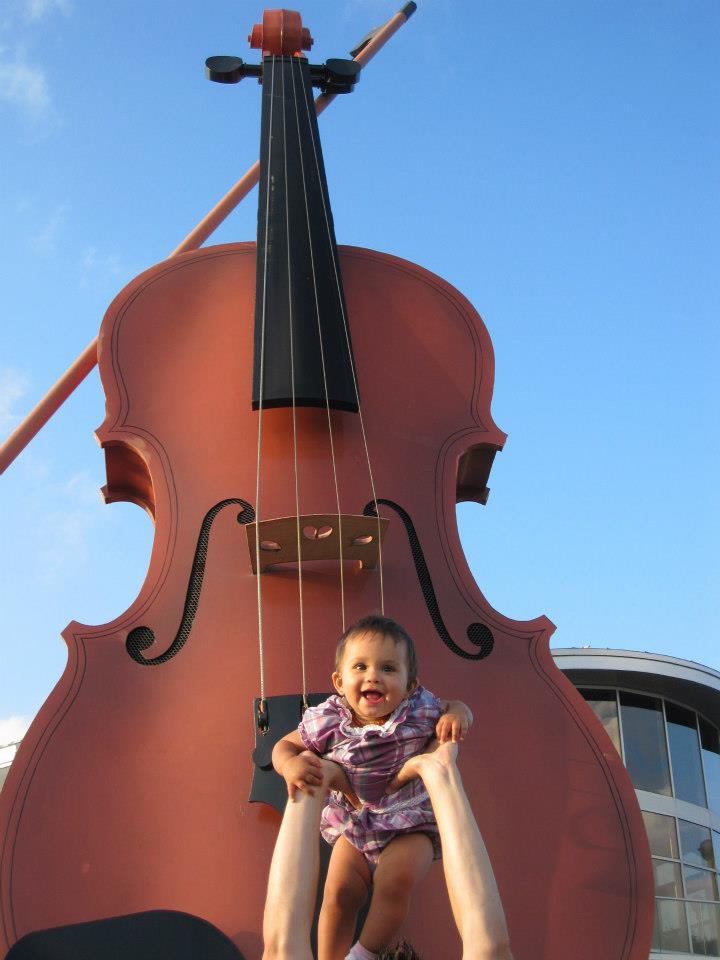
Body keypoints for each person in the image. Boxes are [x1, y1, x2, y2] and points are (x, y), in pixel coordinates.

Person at [269, 614, 474, 960]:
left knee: (396, 882)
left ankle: (361, 956)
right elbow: (283, 747)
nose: (373, 676)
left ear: (411, 686)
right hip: (357, 823)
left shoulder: (419, 710)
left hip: (412, 824)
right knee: (338, 892)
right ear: (338, 681)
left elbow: (456, 706)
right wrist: (290, 765)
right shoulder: (329, 721)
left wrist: (458, 715)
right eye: (360, 667)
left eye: (389, 669)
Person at [261, 741, 513, 960]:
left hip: (395, 827)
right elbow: (491, 951)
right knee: (340, 895)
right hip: (374, 826)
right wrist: (440, 773)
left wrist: (313, 782)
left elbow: (280, 948)